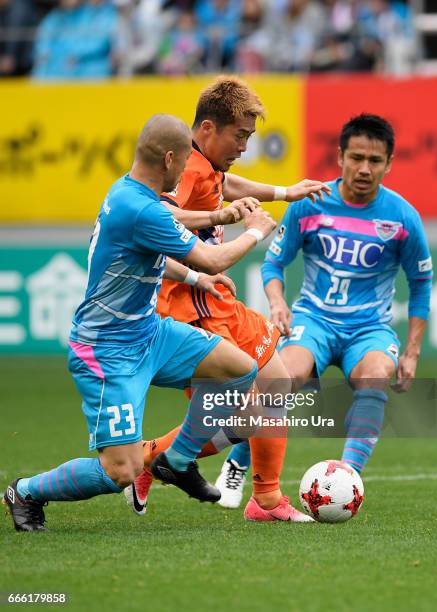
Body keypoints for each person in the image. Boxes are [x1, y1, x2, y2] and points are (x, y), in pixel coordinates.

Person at [3, 113, 278, 532]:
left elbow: (158, 248)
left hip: (149, 332)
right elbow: (212, 255)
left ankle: (177, 461)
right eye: (186, 161)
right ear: (169, 159)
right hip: (106, 350)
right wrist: (254, 231)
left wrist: (201, 264)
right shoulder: (141, 209)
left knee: (241, 370)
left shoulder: (128, 192)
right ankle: (25, 491)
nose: (188, 170)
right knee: (121, 472)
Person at [126, 76, 330, 522]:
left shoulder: (206, 165)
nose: (244, 145)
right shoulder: (188, 168)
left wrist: (284, 191)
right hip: (186, 305)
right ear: (205, 129)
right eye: (239, 136)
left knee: (276, 388)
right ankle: (154, 459)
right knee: (245, 409)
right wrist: (217, 235)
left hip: (213, 299)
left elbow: (224, 184)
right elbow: (158, 212)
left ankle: (265, 500)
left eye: (249, 137)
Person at [215, 113, 432, 508]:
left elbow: (420, 286)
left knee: (375, 374)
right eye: (356, 158)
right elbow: (274, 263)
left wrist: (413, 351)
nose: (364, 169)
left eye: (375, 161)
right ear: (340, 156)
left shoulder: (402, 217)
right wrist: (278, 302)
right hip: (313, 319)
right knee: (285, 377)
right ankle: (238, 462)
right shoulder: (311, 203)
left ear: (389, 163)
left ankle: (347, 480)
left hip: (370, 327)